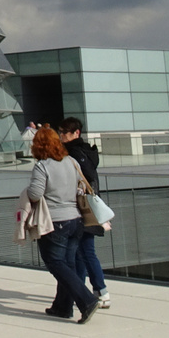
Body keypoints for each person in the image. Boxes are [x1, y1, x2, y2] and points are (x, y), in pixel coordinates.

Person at [24, 126, 98, 323]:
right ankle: (63, 307)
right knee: (68, 264)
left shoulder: (43, 166)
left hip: (55, 222)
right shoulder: (71, 162)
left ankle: (87, 300)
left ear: (38, 146)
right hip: (75, 220)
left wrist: (27, 190)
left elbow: (35, 194)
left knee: (55, 263)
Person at [58, 117, 110, 309]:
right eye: (60, 132)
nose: (61, 136)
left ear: (76, 133)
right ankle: (80, 292)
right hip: (83, 208)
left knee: (86, 252)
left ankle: (101, 291)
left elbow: (85, 178)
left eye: (65, 133)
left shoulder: (75, 153)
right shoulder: (85, 151)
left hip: (82, 209)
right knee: (78, 254)